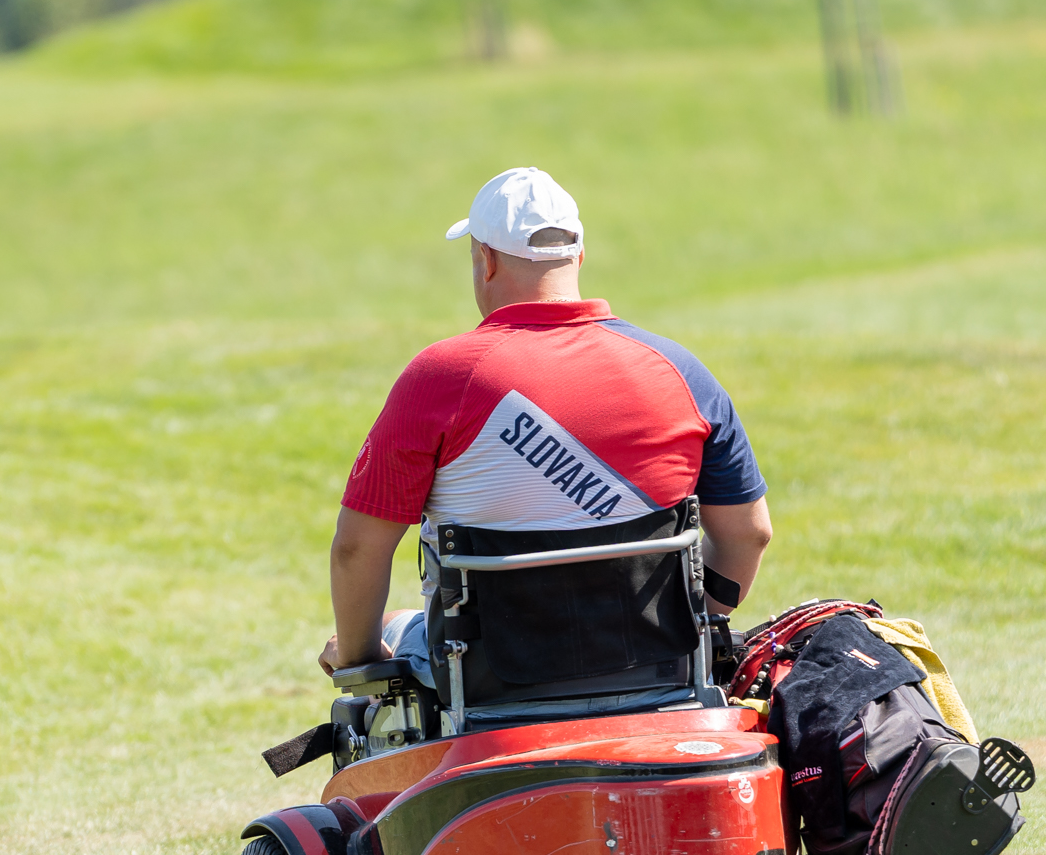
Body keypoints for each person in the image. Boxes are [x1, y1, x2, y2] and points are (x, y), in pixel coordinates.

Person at [317, 167, 774, 698]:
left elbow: (357, 549)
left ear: (485, 260)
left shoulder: (438, 379)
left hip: (487, 683)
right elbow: (749, 533)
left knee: (400, 625)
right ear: (578, 258)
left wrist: (358, 664)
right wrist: (690, 622)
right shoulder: (680, 370)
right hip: (658, 667)